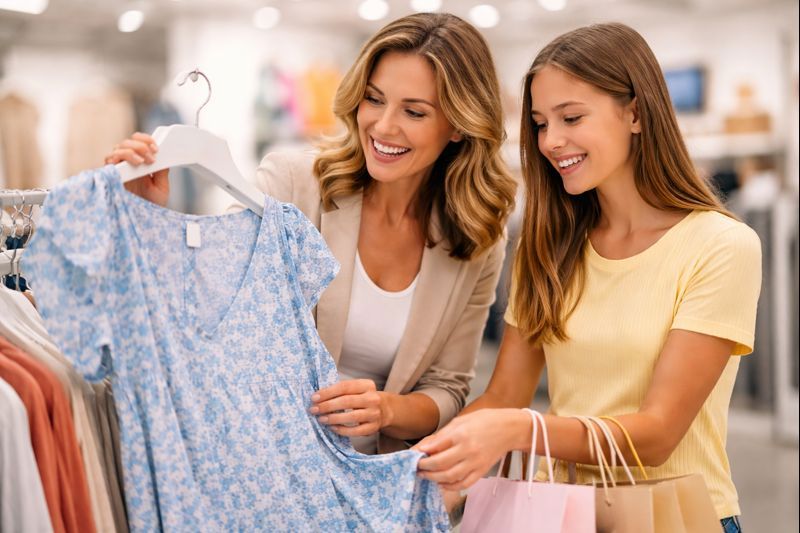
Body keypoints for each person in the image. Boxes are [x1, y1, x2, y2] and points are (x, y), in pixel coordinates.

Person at [104, 12, 517, 455]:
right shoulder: (292, 185)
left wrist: (387, 409)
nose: (382, 126)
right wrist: (145, 219)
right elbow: (203, 302)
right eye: (374, 99)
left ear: (458, 125)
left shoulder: (476, 238)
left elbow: (448, 389)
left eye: (413, 111)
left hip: (372, 482)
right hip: (262, 465)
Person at [415, 22, 761, 532]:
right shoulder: (548, 247)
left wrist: (519, 429)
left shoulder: (720, 246)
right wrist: (412, 468)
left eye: (571, 117)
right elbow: (505, 395)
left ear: (637, 113)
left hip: (677, 519)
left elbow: (658, 434)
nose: (551, 141)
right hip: (562, 518)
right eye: (539, 123)